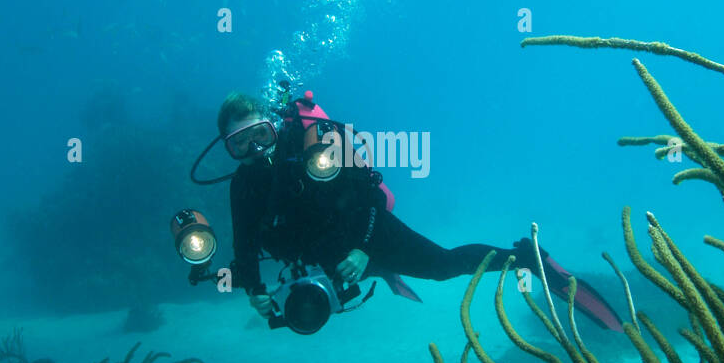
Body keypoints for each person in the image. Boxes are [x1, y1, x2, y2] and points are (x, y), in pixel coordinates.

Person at [212, 87, 622, 331]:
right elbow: (244, 245)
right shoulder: (243, 186)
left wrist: (364, 249)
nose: (254, 149)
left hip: (365, 230)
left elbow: (371, 196)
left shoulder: (312, 147)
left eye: (259, 133)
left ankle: (527, 257)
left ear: (274, 125)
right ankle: (379, 270)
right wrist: (255, 290)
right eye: (239, 143)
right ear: (227, 148)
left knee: (443, 267)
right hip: (322, 254)